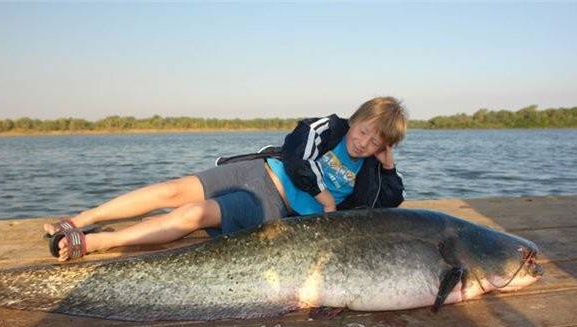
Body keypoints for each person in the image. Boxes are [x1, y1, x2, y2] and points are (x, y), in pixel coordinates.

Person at [44, 97, 408, 261]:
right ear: (355, 119)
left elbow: (390, 201)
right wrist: (325, 197)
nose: (365, 143)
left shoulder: (372, 171)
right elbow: (296, 155)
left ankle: (96, 244)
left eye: (377, 141)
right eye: (364, 132)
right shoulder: (327, 127)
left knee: (193, 216)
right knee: (172, 190)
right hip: (256, 171)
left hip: (271, 206)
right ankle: (80, 219)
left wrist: (387, 165)